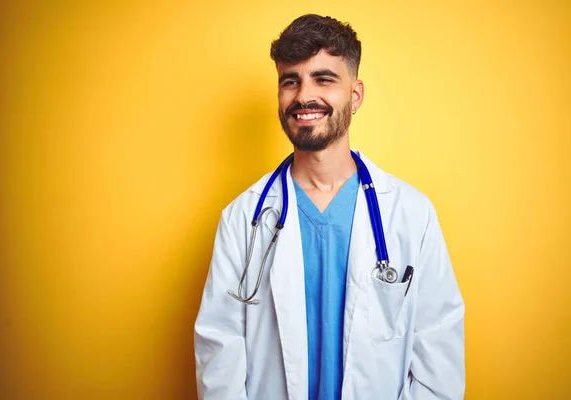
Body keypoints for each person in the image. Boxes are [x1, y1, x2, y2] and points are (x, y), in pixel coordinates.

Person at [194, 14, 465, 400]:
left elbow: (438, 355)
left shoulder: (411, 214)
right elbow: (219, 354)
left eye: (323, 78)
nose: (304, 96)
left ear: (355, 95)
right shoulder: (243, 219)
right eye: (291, 81)